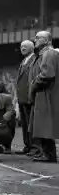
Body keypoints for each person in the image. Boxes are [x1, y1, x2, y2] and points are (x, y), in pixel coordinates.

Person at [28, 31, 59, 163]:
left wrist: (35, 83)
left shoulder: (49, 53)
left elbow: (47, 74)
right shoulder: (44, 53)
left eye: (38, 38)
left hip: (46, 92)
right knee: (43, 124)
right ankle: (46, 152)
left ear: (46, 40)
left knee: (45, 124)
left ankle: (49, 154)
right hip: (43, 92)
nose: (35, 40)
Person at [15, 40, 35, 155]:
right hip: (21, 97)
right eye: (21, 46)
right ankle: (27, 145)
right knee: (24, 123)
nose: (22, 48)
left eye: (25, 47)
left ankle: (33, 146)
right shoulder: (23, 61)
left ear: (32, 48)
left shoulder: (34, 60)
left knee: (30, 123)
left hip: (28, 97)